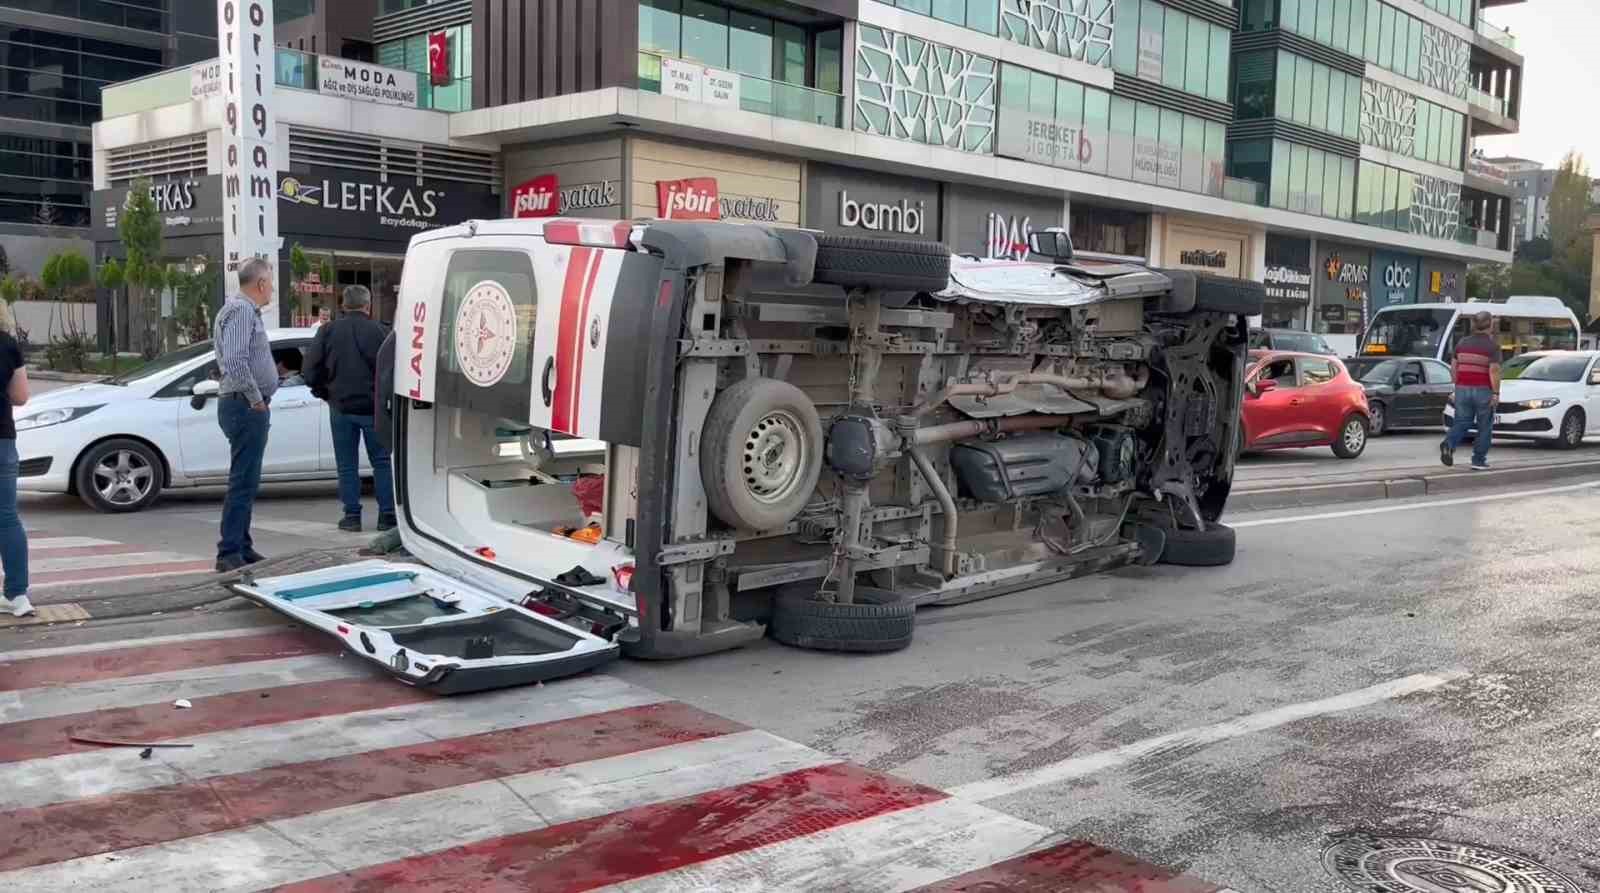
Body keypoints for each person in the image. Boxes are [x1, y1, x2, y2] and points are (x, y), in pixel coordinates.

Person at [304, 285, 395, 532]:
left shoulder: (327, 331)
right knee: (382, 462)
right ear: (368, 306)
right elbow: (393, 372)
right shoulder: (383, 332)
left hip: (341, 409)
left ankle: (352, 516)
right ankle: (387, 515)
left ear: (343, 306)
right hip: (374, 410)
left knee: (347, 464)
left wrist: (325, 394)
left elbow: (310, 371)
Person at [214, 257, 279, 572]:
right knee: (242, 480)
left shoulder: (240, 310)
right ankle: (229, 553)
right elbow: (236, 360)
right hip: (244, 404)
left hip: (242, 402)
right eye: (271, 283)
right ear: (262, 283)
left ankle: (242, 544)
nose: (273, 290)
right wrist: (256, 399)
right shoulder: (241, 311)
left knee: (247, 479)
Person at [0, 301, 33, 617]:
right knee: (6, 518)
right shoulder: (8, 345)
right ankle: (17, 596)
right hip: (2, 440)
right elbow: (21, 396)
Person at [1441, 310, 1501, 471]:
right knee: (1484, 426)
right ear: (1490, 325)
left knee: (1462, 421)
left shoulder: (1461, 343)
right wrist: (1495, 393)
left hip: (1462, 388)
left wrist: (1457, 386)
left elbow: (1454, 368)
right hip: (1483, 390)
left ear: (1474, 325)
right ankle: (1478, 460)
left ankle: (1449, 443)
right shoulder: (1492, 346)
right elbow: (1494, 371)